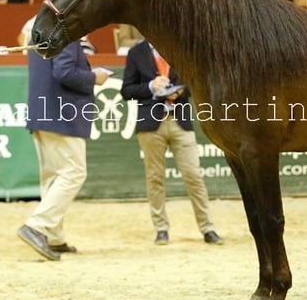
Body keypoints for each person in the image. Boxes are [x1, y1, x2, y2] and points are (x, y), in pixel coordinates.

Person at [120, 40, 222, 246]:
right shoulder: (136, 53)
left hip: (180, 121)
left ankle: (208, 227)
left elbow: (195, 82)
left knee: (194, 175)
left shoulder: (181, 47)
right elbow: (126, 91)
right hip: (150, 124)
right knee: (155, 177)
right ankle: (161, 228)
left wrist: (180, 91)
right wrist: (150, 86)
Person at [18, 40, 111, 260]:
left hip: (43, 113)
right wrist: (94, 77)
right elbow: (65, 72)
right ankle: (37, 226)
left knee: (52, 177)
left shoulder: (41, 34)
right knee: (74, 172)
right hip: (62, 116)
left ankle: (54, 237)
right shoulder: (65, 35)